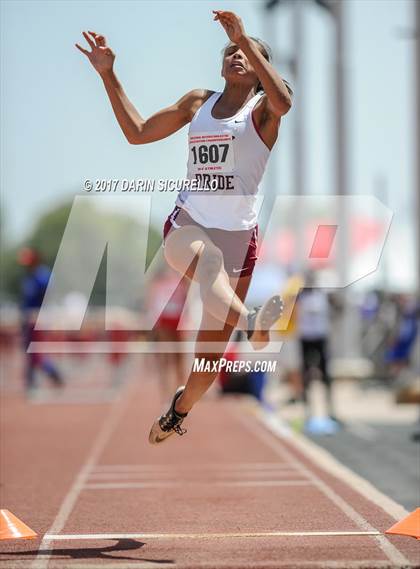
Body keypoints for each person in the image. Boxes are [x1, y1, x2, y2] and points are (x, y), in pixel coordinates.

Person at [76, 10, 292, 444]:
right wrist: (108, 74)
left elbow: (284, 100)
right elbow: (137, 133)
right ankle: (251, 322)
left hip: (239, 239)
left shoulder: (265, 111)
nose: (236, 55)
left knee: (206, 366)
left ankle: (178, 410)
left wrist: (245, 37)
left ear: (259, 69)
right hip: (188, 224)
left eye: (246, 53)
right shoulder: (199, 103)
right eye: (230, 51)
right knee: (207, 260)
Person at [18, 247, 64, 395]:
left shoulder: (42, 275)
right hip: (28, 319)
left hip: (38, 318)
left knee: (35, 353)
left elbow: (48, 295)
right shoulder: (28, 277)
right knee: (30, 352)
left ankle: (53, 373)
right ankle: (32, 382)